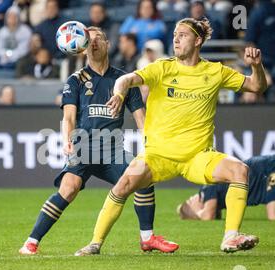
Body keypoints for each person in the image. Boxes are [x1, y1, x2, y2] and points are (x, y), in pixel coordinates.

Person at [75, 17, 268, 256]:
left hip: (197, 157)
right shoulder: (162, 67)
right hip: (157, 156)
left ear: (198, 40)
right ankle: (94, 243)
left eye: (183, 35)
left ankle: (231, 237)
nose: (175, 38)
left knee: (240, 170)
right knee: (123, 185)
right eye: (175, 34)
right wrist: (118, 92)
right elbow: (126, 79)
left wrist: (256, 66)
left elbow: (257, 87)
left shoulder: (215, 72)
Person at [19, 27, 179, 256]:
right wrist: (67, 141)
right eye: (89, 40)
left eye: (98, 39)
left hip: (113, 148)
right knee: (69, 188)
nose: (94, 43)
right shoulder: (75, 81)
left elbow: (141, 119)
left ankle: (147, 239)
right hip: (84, 146)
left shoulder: (123, 80)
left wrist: (150, 145)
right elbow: (68, 117)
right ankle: (31, 242)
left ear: (107, 44)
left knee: (143, 176)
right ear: (82, 48)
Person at [177, 155, 275, 221]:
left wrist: (198, 214)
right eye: (190, 202)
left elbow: (208, 215)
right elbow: (211, 215)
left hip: (268, 168)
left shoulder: (206, 187)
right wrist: (197, 214)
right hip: (266, 173)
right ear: (194, 209)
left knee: (273, 215)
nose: (192, 198)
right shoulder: (213, 196)